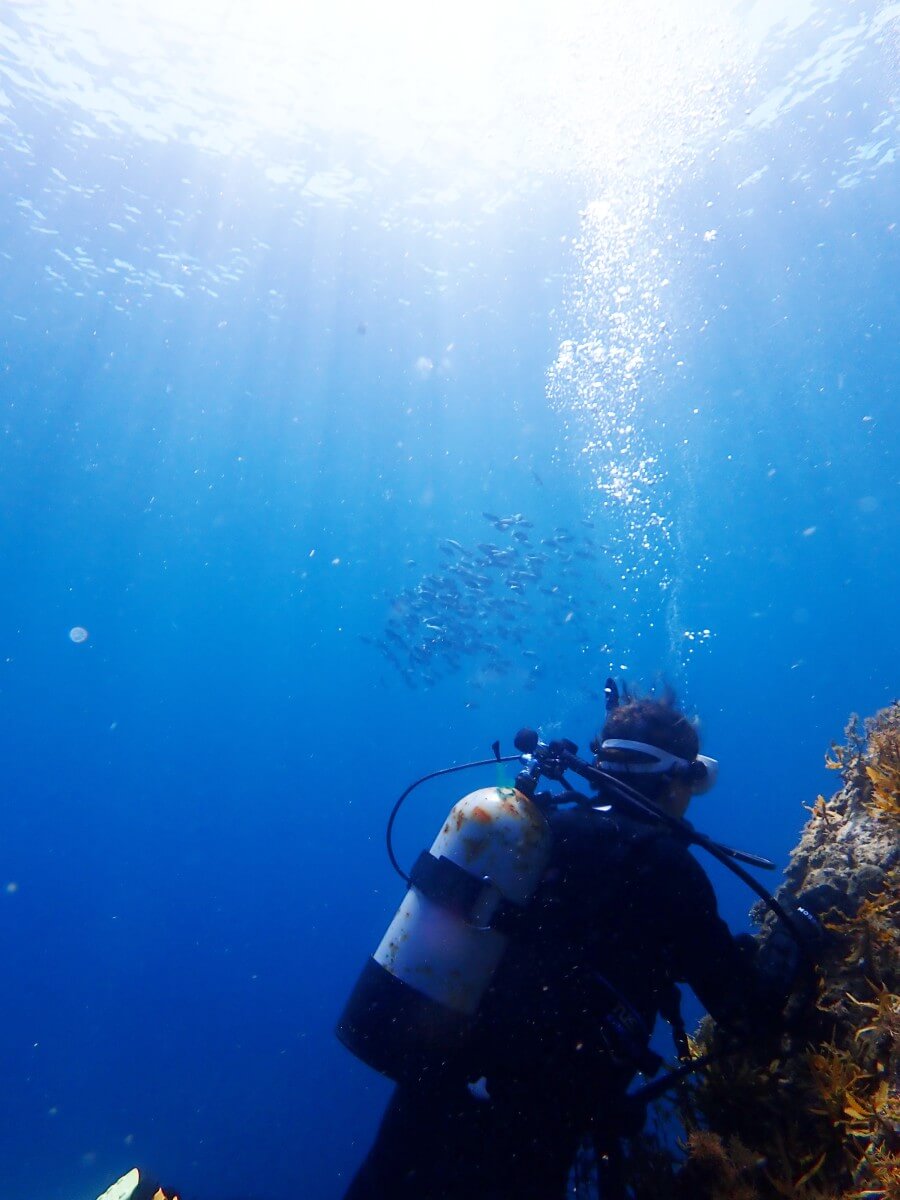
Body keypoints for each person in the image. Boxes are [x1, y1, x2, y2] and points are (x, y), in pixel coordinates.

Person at [343, 683, 806, 1200]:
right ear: (678, 779)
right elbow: (747, 1014)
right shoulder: (664, 867)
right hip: (525, 1135)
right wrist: (802, 938)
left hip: (427, 1100)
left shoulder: (539, 834)